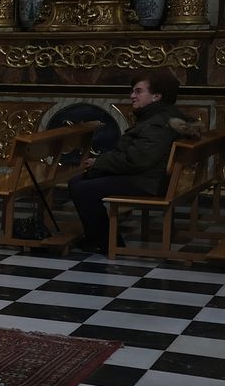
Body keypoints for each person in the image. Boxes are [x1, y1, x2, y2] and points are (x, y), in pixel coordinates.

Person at [68, 72, 200, 253]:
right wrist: (101, 164)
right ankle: (98, 238)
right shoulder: (162, 115)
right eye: (132, 91)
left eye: (138, 91)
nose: (132, 96)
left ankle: (107, 243)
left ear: (156, 96)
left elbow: (137, 160)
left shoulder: (157, 124)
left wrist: (99, 162)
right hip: (151, 176)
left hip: (148, 182)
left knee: (82, 188)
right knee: (78, 182)